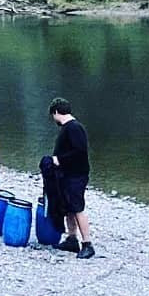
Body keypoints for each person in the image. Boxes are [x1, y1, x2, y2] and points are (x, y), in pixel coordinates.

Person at [49, 97, 94, 259]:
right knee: (68, 207)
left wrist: (59, 159)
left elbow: (80, 151)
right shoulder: (69, 128)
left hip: (76, 175)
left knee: (77, 208)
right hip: (68, 175)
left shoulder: (74, 128)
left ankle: (88, 244)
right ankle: (71, 239)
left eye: (53, 116)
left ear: (56, 112)